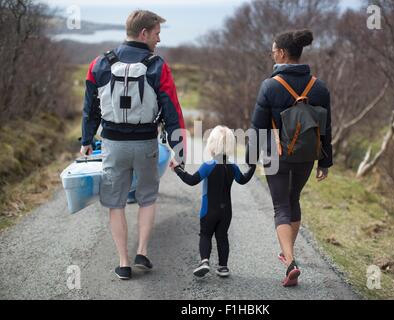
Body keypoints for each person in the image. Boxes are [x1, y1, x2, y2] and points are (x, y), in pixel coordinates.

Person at [80, 10, 186, 280]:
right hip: (145, 143)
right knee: (147, 197)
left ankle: (124, 263)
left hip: (113, 145)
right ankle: (142, 251)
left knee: (115, 203)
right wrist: (180, 149)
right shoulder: (158, 66)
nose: (159, 40)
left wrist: (86, 141)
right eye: (157, 34)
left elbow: (89, 109)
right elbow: (172, 110)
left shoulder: (99, 64)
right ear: (144, 34)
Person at [247, 29, 333, 287]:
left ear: (282, 53)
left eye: (273, 51)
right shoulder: (319, 87)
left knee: (280, 206)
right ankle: (288, 255)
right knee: (293, 200)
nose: (272, 54)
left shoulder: (270, 86)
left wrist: (250, 161)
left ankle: (291, 261)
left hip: (277, 156)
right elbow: (326, 127)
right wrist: (325, 160)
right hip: (306, 155)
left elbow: (258, 128)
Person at [170, 126, 256, 278]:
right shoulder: (232, 166)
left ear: (211, 144)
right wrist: (252, 167)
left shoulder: (208, 165)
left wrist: (177, 169)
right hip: (226, 212)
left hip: (208, 210)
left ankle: (204, 261)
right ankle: (223, 267)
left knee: (205, 234)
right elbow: (243, 180)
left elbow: (191, 180)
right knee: (222, 237)